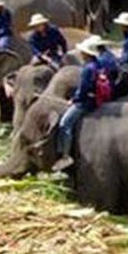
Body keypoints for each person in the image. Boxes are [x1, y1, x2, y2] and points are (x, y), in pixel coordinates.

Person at [54, 36, 106, 171]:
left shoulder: (88, 69)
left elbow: (84, 89)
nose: (81, 54)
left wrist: (74, 100)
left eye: (82, 52)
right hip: (97, 99)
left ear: (87, 53)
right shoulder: (99, 64)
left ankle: (65, 156)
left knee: (64, 124)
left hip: (86, 103)